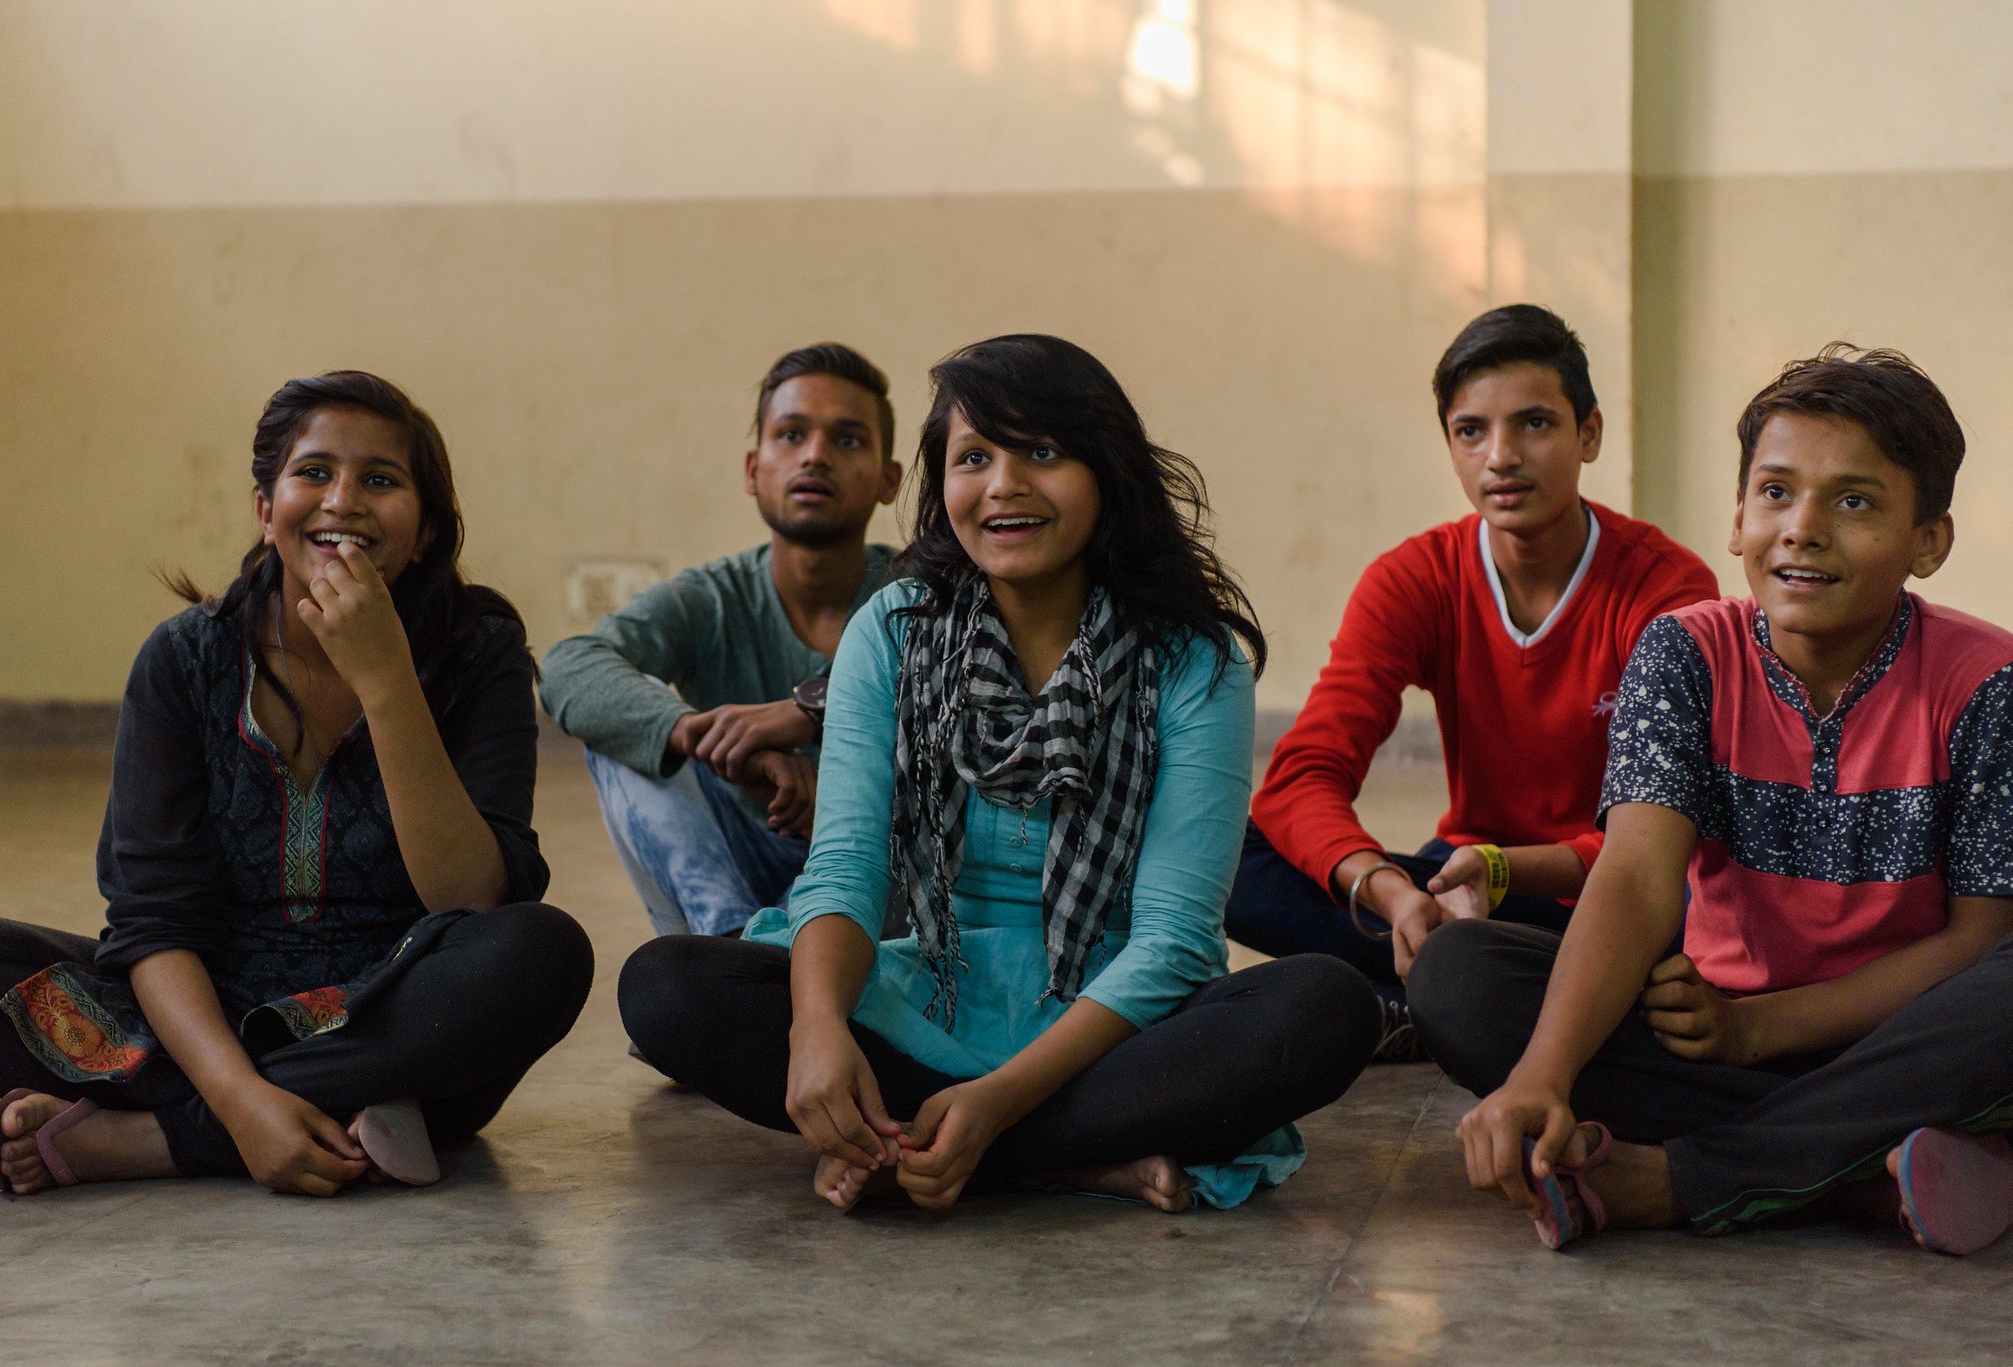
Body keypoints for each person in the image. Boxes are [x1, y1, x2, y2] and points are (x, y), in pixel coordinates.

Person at [618, 334, 1380, 1213]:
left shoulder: (1190, 657)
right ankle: (1075, 1155)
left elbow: (1172, 941)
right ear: (942, 485)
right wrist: (820, 1029)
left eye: (1043, 452)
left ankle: (950, 1145)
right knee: (666, 987)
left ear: (1107, 472)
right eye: (974, 456)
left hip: (1115, 1013)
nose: (1004, 484)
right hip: (925, 992)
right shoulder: (895, 629)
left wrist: (999, 1100)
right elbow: (847, 871)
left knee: (1326, 1007)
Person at [1418, 346, 2013, 1254]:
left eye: (1853, 501)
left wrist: (1757, 1028)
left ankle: (1692, 1176)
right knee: (1460, 976)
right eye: (1776, 491)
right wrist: (1543, 1072)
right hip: (1703, 1041)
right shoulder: (1685, 653)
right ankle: (1866, 1168)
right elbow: (1636, 877)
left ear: (1929, 539)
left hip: (1905, 1036)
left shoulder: (1986, 682)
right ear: (1737, 518)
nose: (1802, 528)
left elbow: (1977, 941)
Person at [0, 371, 592, 1197]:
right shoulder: (185, 660)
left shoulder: (480, 652)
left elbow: (472, 895)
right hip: (208, 1013)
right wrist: (237, 1097)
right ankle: (343, 1110)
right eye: (313, 473)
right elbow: (155, 921)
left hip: (396, 1008)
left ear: (427, 528)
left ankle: (148, 1139)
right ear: (267, 509)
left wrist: (386, 680)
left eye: (381, 479)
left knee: (538, 953)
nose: (344, 501)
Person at [1230, 305, 1717, 1056]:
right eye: (1471, 431)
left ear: (1589, 433)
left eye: (1534, 424)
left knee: (1703, 911)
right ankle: (1483, 990)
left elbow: (1662, 839)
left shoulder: (1667, 589)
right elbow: (1302, 779)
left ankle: (1429, 1001)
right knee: (1233, 854)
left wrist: (1504, 868)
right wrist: (1391, 895)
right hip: (1461, 887)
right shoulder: (1414, 579)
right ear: (1451, 445)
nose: (1501, 456)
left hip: (1609, 892)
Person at [541, 344, 903, 938]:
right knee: (628, 720)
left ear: (889, 481)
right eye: (790, 435)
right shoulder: (710, 597)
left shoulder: (916, 592)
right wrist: (707, 738)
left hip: (872, 876)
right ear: (752, 469)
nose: (814, 455)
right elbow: (568, 667)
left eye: (847, 440)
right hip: (729, 867)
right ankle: (728, 945)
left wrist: (807, 715)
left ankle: (737, 978)